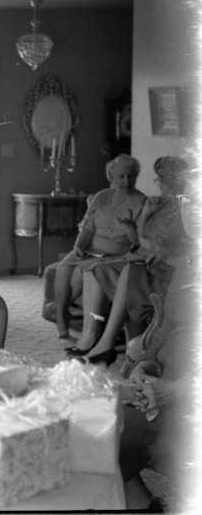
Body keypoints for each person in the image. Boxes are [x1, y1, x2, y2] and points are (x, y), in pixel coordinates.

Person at [117, 175, 199, 511]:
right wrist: (147, 366)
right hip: (169, 388)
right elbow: (163, 330)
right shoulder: (190, 264)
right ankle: (142, 504)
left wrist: (176, 390)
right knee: (96, 416)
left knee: (116, 430)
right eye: (188, 201)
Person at [69, 157, 190, 363]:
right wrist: (146, 217)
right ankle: (90, 336)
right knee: (93, 269)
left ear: (170, 181)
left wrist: (154, 242)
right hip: (140, 257)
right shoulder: (158, 203)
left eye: (159, 179)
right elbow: (143, 240)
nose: (157, 182)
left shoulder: (185, 208)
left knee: (125, 270)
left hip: (158, 266)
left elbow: (162, 245)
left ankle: (104, 343)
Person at [52, 154, 147, 339]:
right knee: (64, 268)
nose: (126, 181)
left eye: (130, 176)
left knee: (80, 274)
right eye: (121, 177)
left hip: (114, 255)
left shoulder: (142, 202)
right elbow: (88, 228)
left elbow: (139, 244)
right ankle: (62, 315)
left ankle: (81, 325)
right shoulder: (102, 197)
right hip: (90, 249)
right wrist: (79, 245)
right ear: (111, 178)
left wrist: (129, 228)